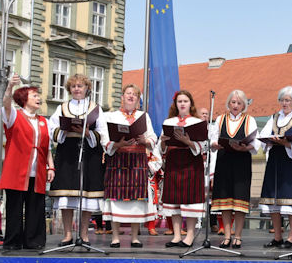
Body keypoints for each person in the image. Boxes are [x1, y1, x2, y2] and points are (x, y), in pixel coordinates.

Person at [48, 73, 106, 246]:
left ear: (87, 88)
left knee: (86, 195)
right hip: (67, 153)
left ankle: (84, 234)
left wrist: (88, 133)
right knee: (66, 195)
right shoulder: (62, 107)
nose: (77, 89)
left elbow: (103, 132)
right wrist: (64, 130)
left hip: (89, 153)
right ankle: (67, 234)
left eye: (80, 86)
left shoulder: (95, 108)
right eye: (73, 86)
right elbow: (52, 129)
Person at [0, 73, 55, 250]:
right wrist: (10, 86)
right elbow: (6, 103)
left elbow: (47, 147)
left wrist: (51, 167)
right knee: (15, 207)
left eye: (38, 96)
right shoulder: (14, 115)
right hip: (17, 170)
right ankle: (13, 242)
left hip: (37, 171)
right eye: (34, 95)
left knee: (36, 207)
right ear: (24, 99)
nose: (39, 98)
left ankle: (34, 241)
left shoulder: (43, 121)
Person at [102, 84, 157, 248]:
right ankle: (115, 237)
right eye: (128, 93)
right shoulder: (111, 116)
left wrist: (145, 141)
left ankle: (134, 237)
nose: (131, 96)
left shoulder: (143, 116)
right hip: (118, 159)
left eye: (134, 94)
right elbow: (105, 138)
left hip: (137, 159)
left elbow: (153, 137)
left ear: (138, 99)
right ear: (122, 97)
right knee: (115, 199)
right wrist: (118, 144)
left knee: (136, 200)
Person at [259, 86, 292, 250]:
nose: (284, 103)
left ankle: (291, 237)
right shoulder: (274, 117)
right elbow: (263, 135)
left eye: (287, 100)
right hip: (275, 160)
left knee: (291, 201)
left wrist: (286, 143)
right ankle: (277, 237)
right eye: (282, 100)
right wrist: (270, 140)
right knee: (274, 201)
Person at [209, 90, 260, 249]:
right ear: (228, 104)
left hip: (241, 162)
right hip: (224, 160)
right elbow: (213, 139)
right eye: (233, 102)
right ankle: (227, 235)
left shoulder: (249, 120)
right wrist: (215, 144)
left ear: (244, 105)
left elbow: (256, 142)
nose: (236, 105)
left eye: (239, 103)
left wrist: (245, 147)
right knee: (224, 200)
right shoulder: (220, 119)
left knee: (239, 199)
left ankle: (238, 236)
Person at [159, 90, 207, 248]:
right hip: (173, 161)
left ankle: (190, 235)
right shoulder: (169, 122)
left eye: (185, 101)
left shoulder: (197, 122)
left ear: (190, 103)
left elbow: (203, 145)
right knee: (174, 200)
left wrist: (188, 142)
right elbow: (162, 148)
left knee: (190, 200)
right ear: (175, 104)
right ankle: (177, 235)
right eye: (179, 101)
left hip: (191, 161)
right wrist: (163, 141)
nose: (182, 104)